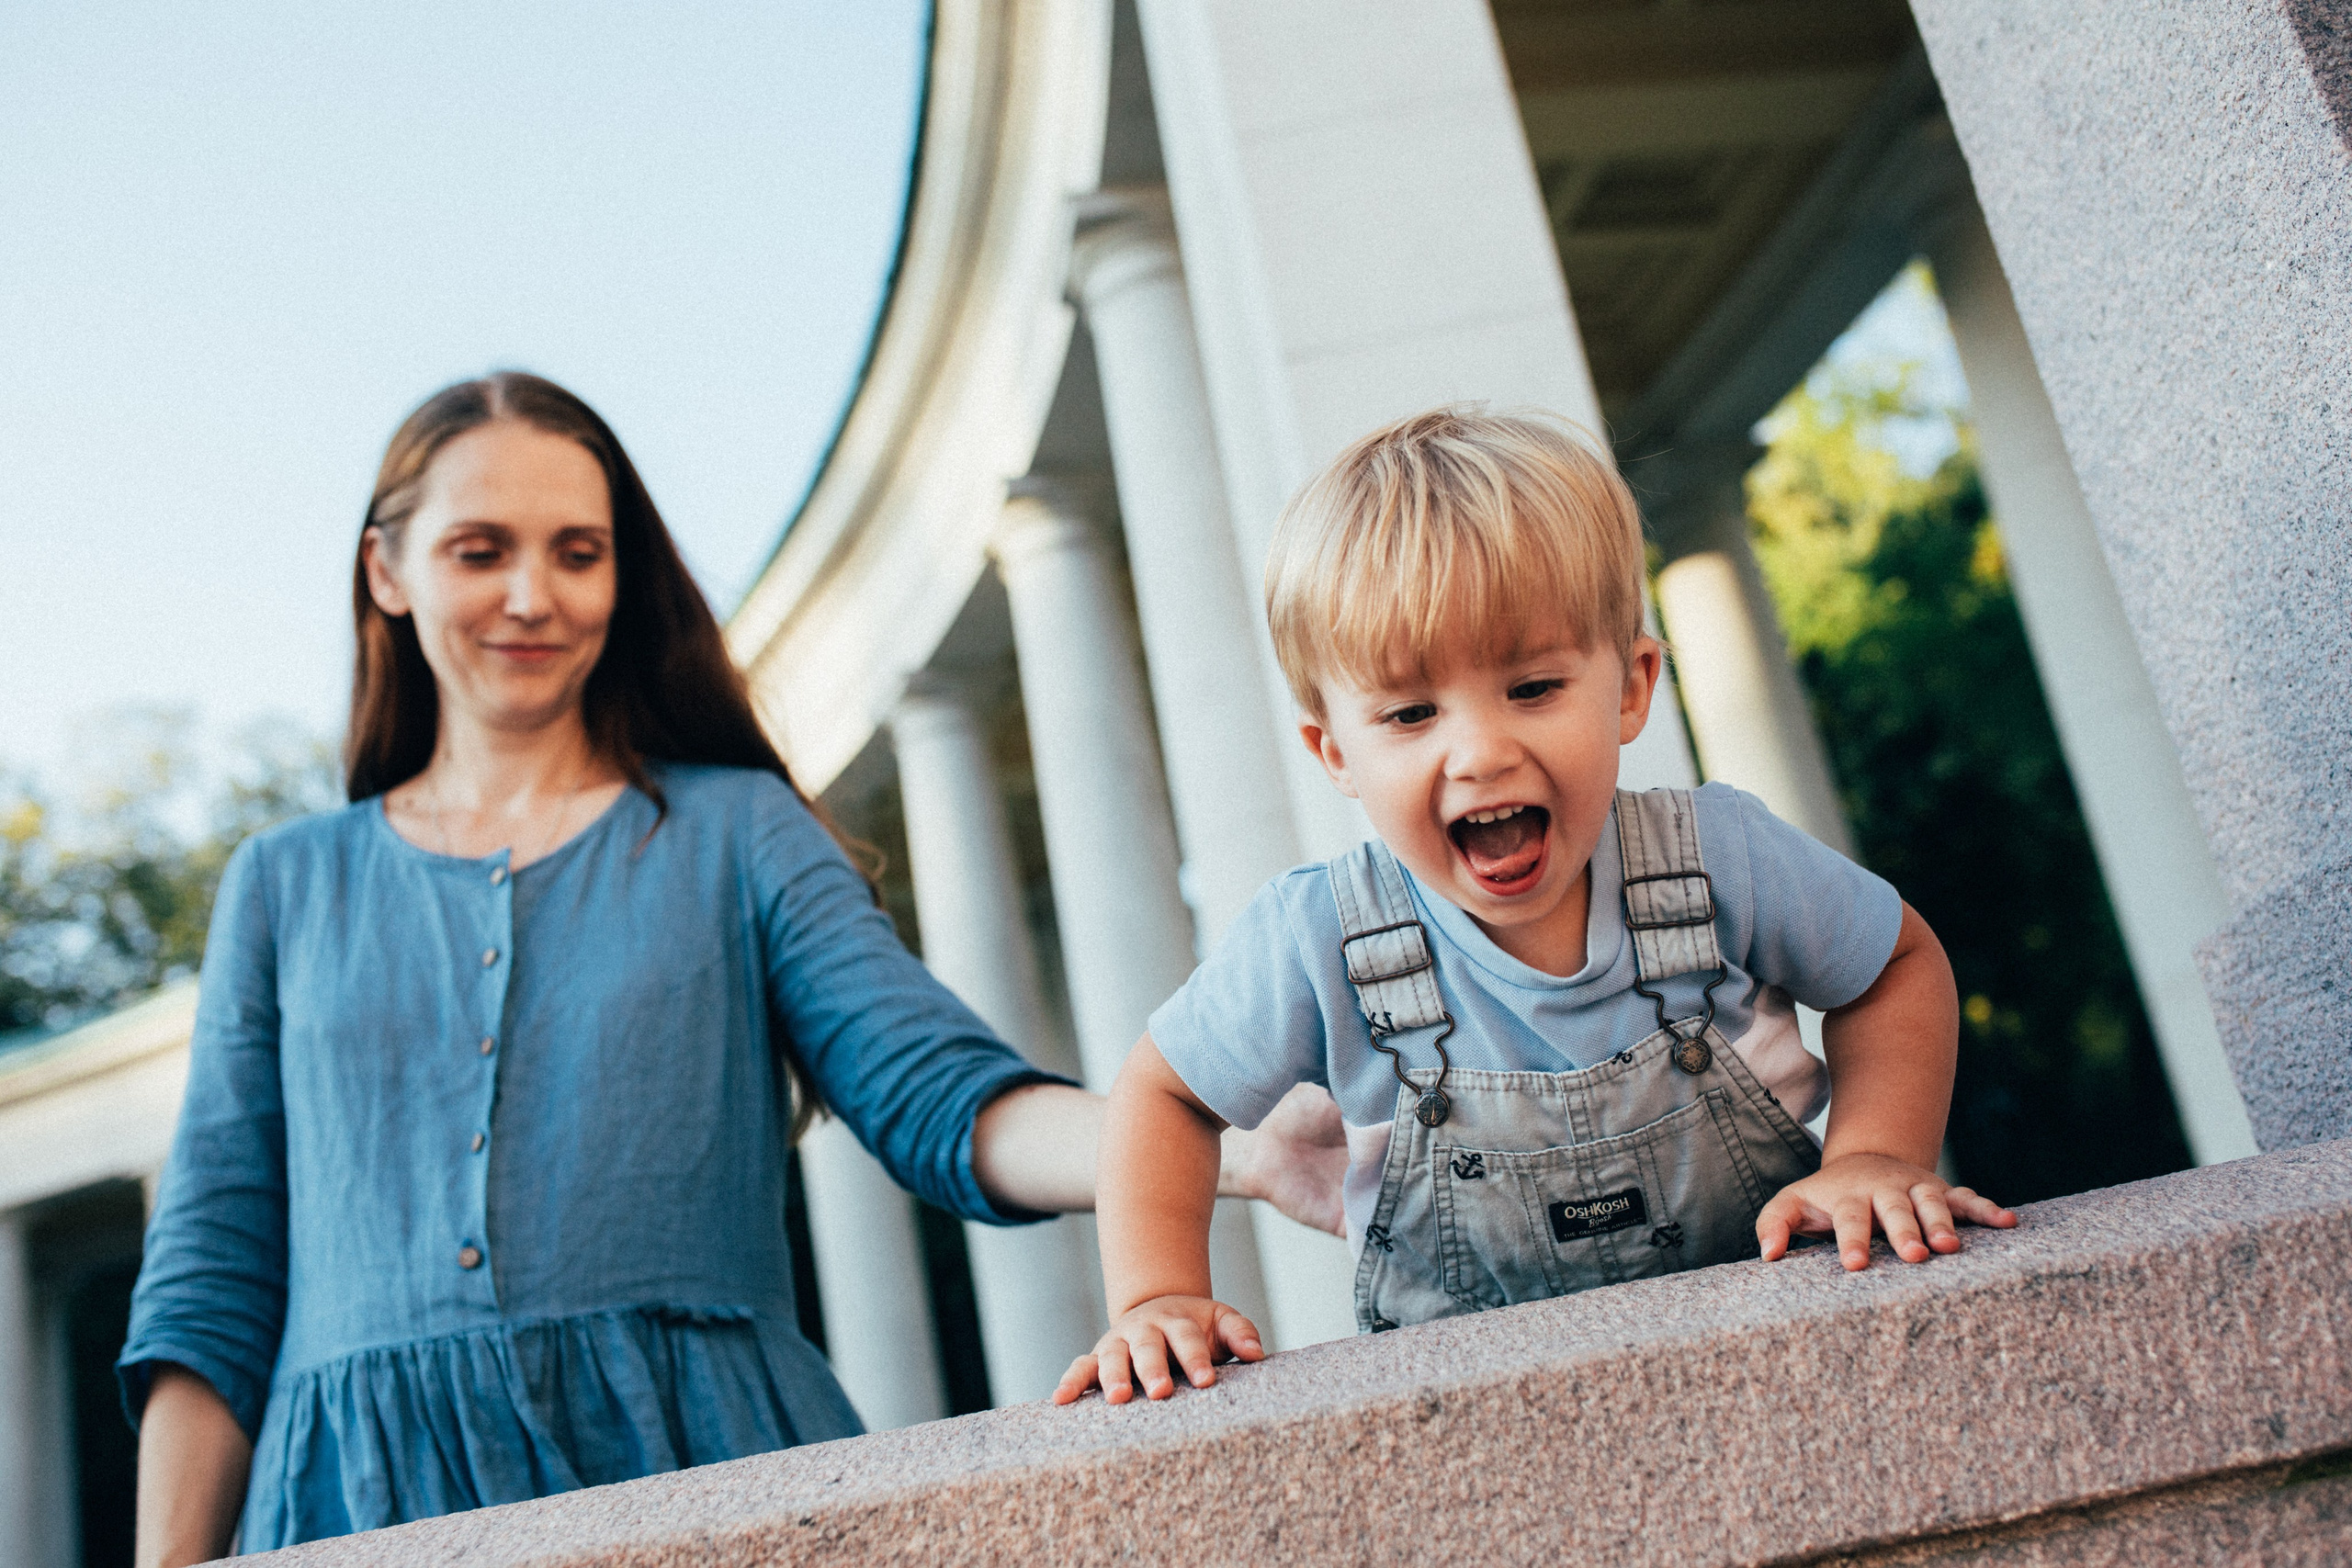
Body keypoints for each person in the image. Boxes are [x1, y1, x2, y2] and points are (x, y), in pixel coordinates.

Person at [119, 372, 1342, 1561]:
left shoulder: (737, 830)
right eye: (480, 549)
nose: (533, 594)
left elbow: (940, 1095)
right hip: (359, 1495)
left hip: (700, 1454)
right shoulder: (283, 883)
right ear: (387, 571)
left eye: (578, 551)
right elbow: (213, 1276)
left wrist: (1226, 1148)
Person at [1054, 407, 2017, 1406]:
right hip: (1481, 1412)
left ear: (1633, 687)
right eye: (1410, 713)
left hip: (1784, 1364)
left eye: (1532, 685)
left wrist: (1871, 1155)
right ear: (1336, 753)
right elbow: (1162, 1092)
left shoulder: (1718, 858)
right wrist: (1158, 1295)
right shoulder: (1319, 939)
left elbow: (1895, 964)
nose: (1478, 752)